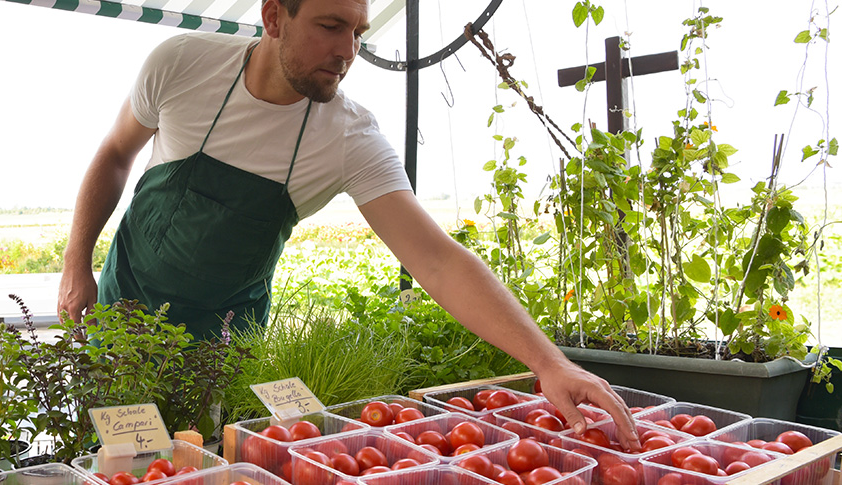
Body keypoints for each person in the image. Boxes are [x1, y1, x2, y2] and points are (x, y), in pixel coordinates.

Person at [57, 0, 641, 449]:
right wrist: (75, 263)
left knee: (197, 459)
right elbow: (114, 155)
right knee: (110, 458)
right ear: (273, 16)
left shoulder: (350, 138)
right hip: (125, 315)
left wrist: (548, 362)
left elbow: (437, 260)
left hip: (224, 342)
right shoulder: (182, 65)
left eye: (358, 32)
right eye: (331, 26)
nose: (348, 50)